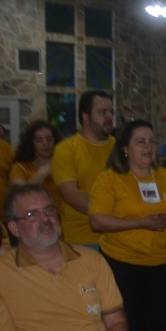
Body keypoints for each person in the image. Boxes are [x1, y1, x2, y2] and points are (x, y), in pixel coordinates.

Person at [0, 185, 128, 331]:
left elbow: (117, 322)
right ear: (14, 229)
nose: (45, 219)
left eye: (49, 210)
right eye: (32, 214)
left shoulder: (91, 260)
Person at [88, 121, 166, 331]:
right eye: (141, 141)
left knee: (160, 327)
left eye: (151, 141)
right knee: (126, 326)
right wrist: (139, 223)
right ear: (125, 149)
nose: (148, 147)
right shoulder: (110, 179)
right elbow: (97, 220)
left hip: (162, 264)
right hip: (123, 265)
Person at [52, 90, 115, 248]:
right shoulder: (66, 149)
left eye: (111, 112)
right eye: (102, 112)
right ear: (85, 117)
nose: (109, 117)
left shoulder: (120, 147)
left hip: (118, 237)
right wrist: (119, 213)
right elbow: (71, 195)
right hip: (82, 240)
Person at [9, 120, 64, 215]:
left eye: (49, 139)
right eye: (39, 140)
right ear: (31, 143)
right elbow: (19, 197)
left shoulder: (64, 164)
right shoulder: (20, 168)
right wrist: (42, 174)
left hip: (65, 219)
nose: (45, 143)